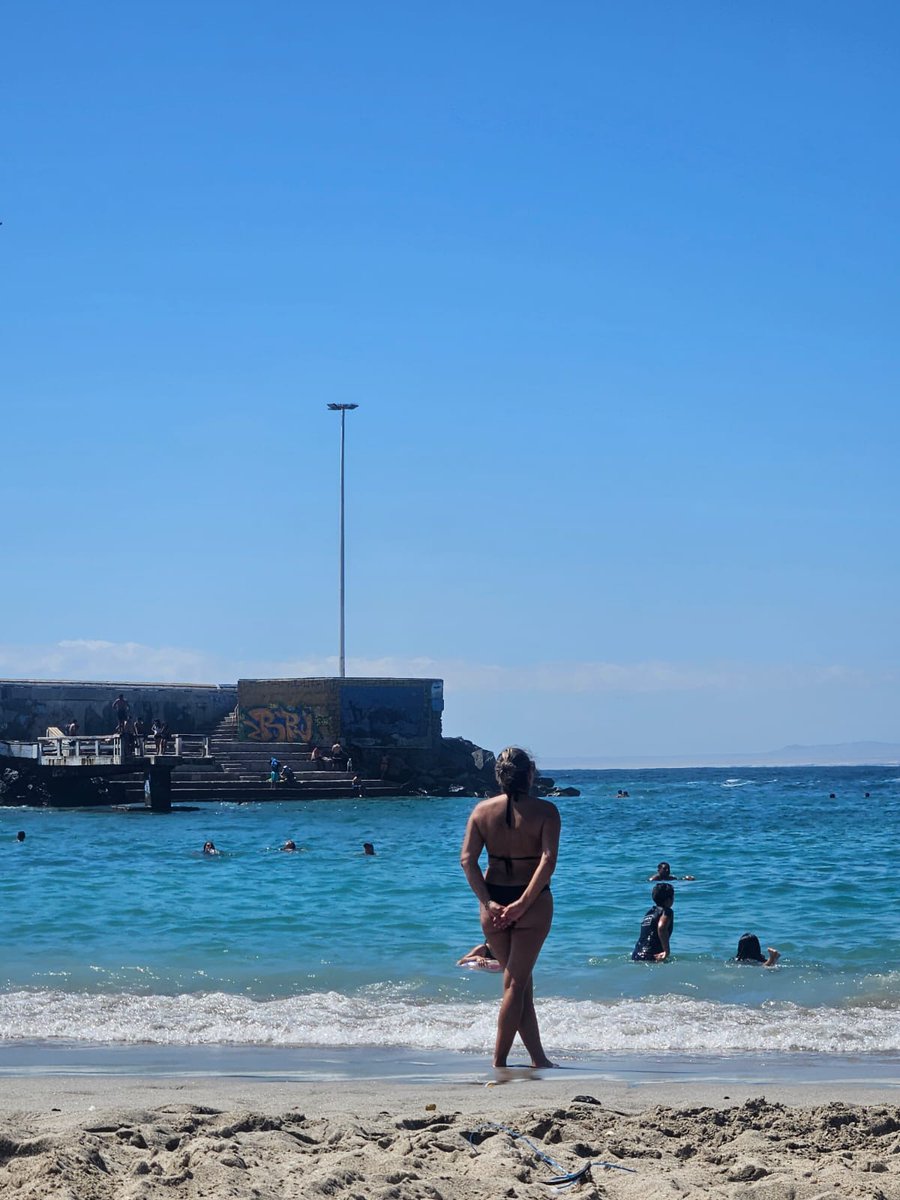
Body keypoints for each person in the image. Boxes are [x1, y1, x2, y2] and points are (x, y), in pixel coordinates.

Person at [460, 745, 560, 1070]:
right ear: (530, 773)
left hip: (493, 901)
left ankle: (538, 1059)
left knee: (520, 982)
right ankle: (499, 1061)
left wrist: (489, 902)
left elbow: (467, 861)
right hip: (532, 902)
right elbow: (547, 861)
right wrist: (523, 903)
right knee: (516, 983)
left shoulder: (481, 812)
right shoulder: (546, 812)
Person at [632, 882, 675, 961]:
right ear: (669, 900)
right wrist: (666, 951)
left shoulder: (649, 913)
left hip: (636, 954)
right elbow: (662, 927)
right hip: (652, 955)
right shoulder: (667, 911)